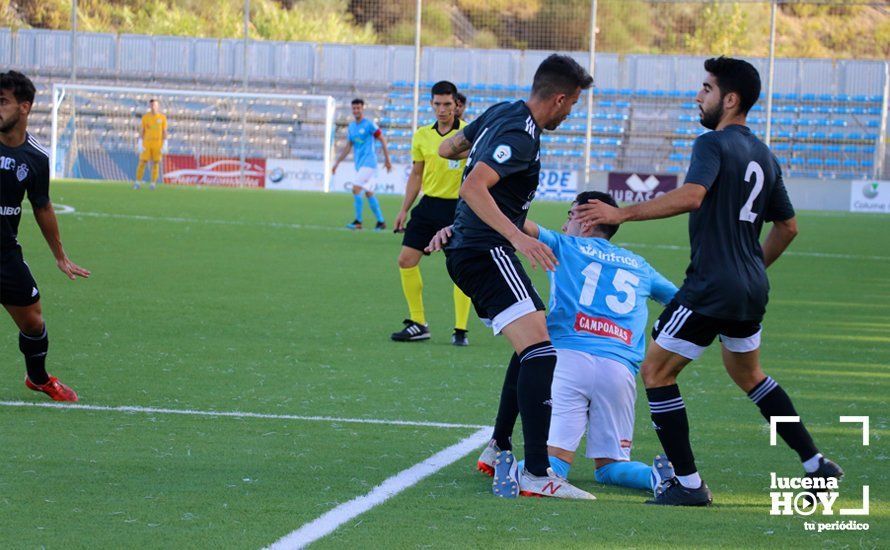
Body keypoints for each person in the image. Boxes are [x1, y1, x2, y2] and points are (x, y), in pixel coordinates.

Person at [575, 56, 842, 506]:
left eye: (706, 89)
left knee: (657, 371)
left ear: (730, 99)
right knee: (749, 374)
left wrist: (622, 212)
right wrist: (750, 266)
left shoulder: (711, 144)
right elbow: (788, 227)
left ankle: (690, 484)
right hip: (750, 287)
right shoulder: (764, 155)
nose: (698, 96)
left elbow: (693, 196)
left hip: (712, 285)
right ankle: (816, 464)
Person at [430, 192, 679, 498]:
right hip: (619, 369)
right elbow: (681, 303)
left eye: (570, 216)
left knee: (554, 463)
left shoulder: (564, 245)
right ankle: (657, 477)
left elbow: (509, 222)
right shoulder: (640, 265)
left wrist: (455, 230)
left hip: (566, 361)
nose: (564, 225)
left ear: (587, 222)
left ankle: (515, 470)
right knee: (611, 466)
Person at [437, 53, 593, 499]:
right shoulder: (520, 134)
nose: (571, 112)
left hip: (473, 247)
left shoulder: (502, 111)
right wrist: (517, 237)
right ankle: (538, 474)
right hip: (486, 250)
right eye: (573, 104)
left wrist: (466, 153)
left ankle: (498, 447)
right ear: (559, 98)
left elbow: (449, 148)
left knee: (532, 344)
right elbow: (472, 186)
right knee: (542, 353)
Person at [0, 70, 90, 401]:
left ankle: (37, 378)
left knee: (34, 322)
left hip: (5, 254)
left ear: (24, 108)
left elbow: (42, 207)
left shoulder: (36, 158)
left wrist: (60, 255)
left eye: (3, 102)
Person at [390, 81, 472, 345]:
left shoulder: (470, 134)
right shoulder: (422, 135)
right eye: (437, 104)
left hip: (459, 209)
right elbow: (416, 174)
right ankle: (418, 323)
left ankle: (460, 329)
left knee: (461, 269)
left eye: (447, 104)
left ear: (456, 105)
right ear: (431, 104)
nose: (442, 109)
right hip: (428, 207)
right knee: (406, 260)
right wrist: (404, 209)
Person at [332, 98, 392, 231]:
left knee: (356, 188)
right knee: (369, 193)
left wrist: (388, 160)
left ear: (362, 109)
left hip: (369, 163)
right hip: (360, 164)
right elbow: (348, 146)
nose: (356, 110)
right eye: (354, 108)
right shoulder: (352, 127)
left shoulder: (369, 125)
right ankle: (381, 222)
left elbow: (382, 139)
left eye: (358, 108)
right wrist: (337, 163)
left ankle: (358, 221)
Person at [135, 98, 167, 190]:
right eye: (152, 105)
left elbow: (164, 131)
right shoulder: (145, 117)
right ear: (150, 106)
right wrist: (140, 142)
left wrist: (165, 143)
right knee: (142, 162)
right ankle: (137, 182)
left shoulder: (162, 118)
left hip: (157, 143)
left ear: (158, 106)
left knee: (156, 163)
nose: (153, 107)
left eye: (155, 105)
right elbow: (142, 130)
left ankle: (153, 184)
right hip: (147, 143)